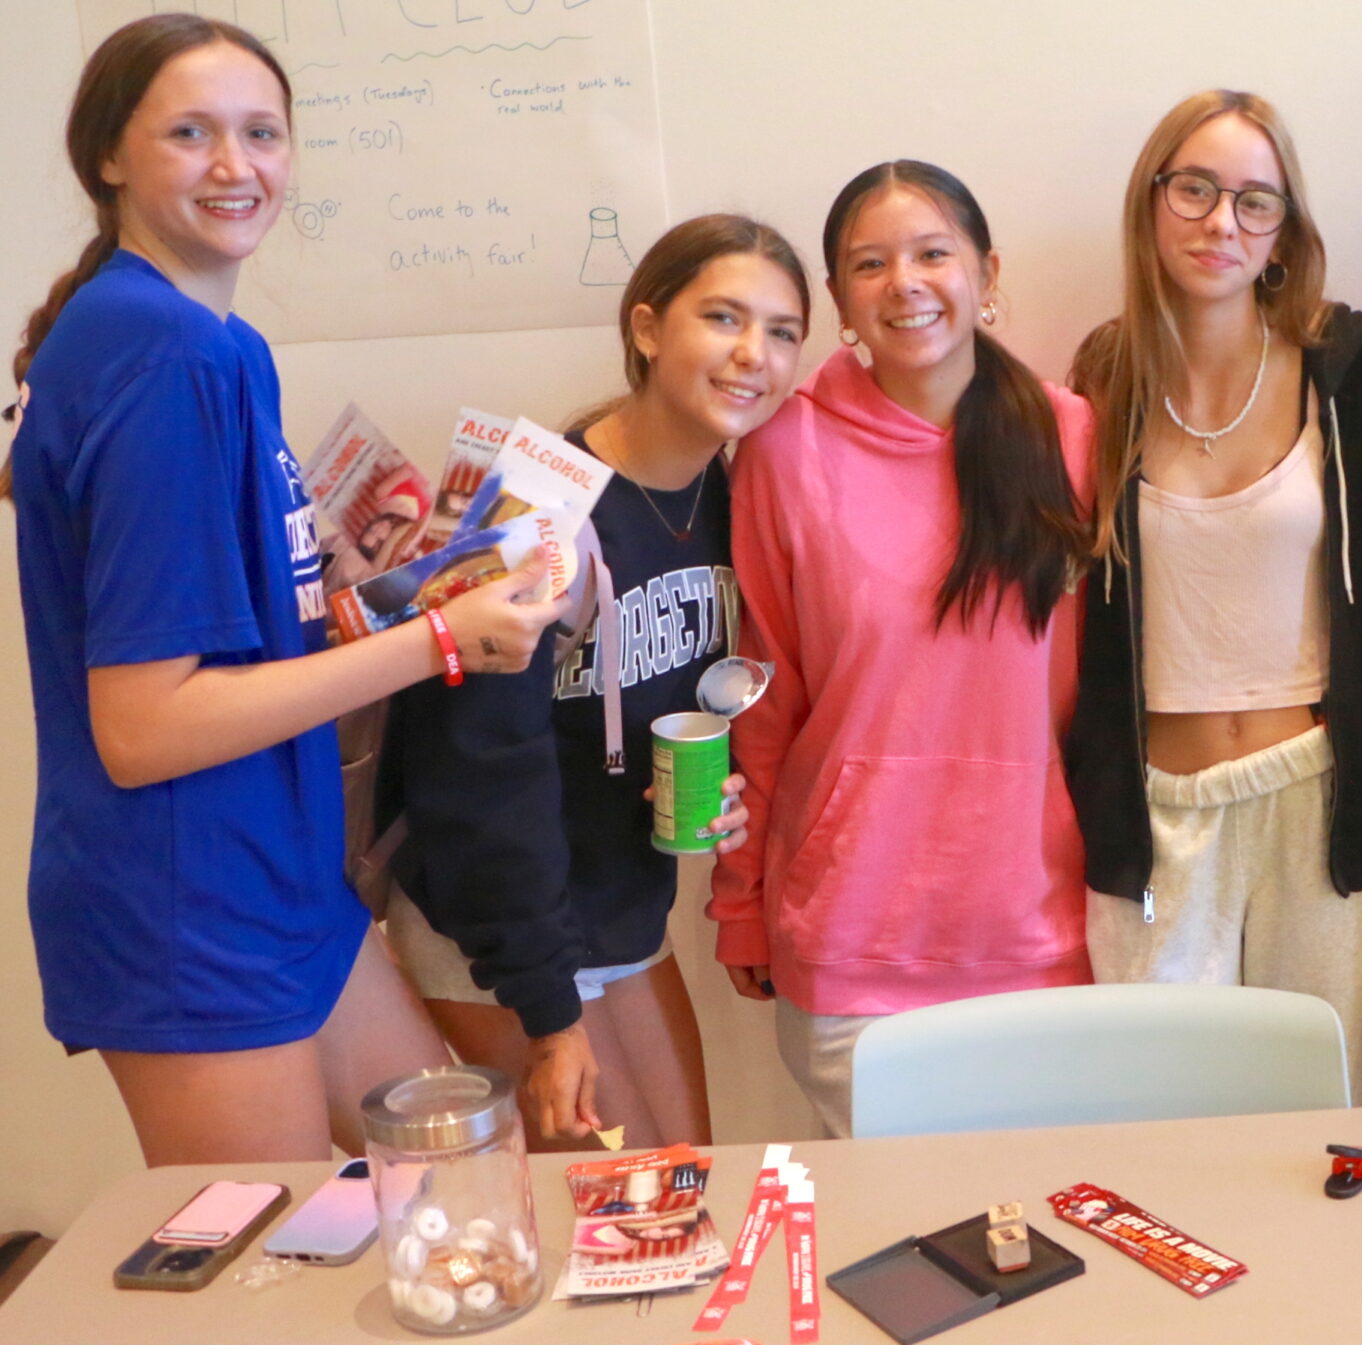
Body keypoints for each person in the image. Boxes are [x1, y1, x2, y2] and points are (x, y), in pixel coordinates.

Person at [4, 14, 560, 1165]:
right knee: (272, 1285)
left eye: (262, 133)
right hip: (188, 901)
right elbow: (146, 725)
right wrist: (442, 640)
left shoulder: (224, 345)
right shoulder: (162, 354)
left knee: (462, 1183)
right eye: (191, 134)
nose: (235, 165)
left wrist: (382, 589)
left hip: (283, 873)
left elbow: (239, 625)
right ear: (108, 156)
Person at [381, 215, 803, 1149]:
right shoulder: (541, 507)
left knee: (688, 1179)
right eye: (723, 318)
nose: (753, 354)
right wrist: (548, 1014)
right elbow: (474, 775)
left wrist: (718, 788)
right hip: (499, 930)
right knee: (611, 1221)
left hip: (620, 910)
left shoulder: (732, 494)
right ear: (648, 329)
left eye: (781, 331)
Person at [708, 161, 1095, 1136]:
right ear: (838, 299)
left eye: (932, 253)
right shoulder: (782, 450)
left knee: (1047, 1240)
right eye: (869, 264)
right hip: (852, 931)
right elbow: (762, 697)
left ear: (987, 272)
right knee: (895, 1257)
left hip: (1036, 928)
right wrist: (740, 901)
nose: (904, 283)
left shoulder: (1069, 435)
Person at [1065, 90, 1362, 1099]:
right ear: (1150, 202)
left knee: (1314, 1111)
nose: (1221, 222)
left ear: (1283, 233)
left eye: (1253, 202)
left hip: (1313, 803)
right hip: (1153, 814)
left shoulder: (1344, 368)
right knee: (1154, 1117)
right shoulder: (1102, 378)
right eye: (1195, 190)